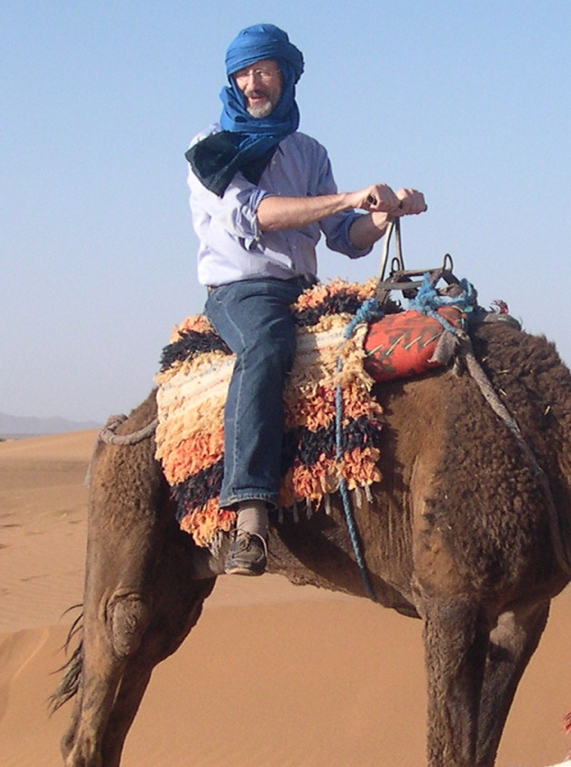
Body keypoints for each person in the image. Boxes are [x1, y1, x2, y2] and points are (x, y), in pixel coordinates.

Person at [186, 23, 425, 576]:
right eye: (243, 73)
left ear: (287, 77)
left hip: (305, 290)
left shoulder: (309, 152)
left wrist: (385, 215)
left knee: (385, 337)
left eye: (264, 70)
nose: (253, 83)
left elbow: (346, 237)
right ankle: (248, 513)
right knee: (267, 347)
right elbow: (258, 214)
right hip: (243, 291)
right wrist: (345, 198)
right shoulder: (210, 149)